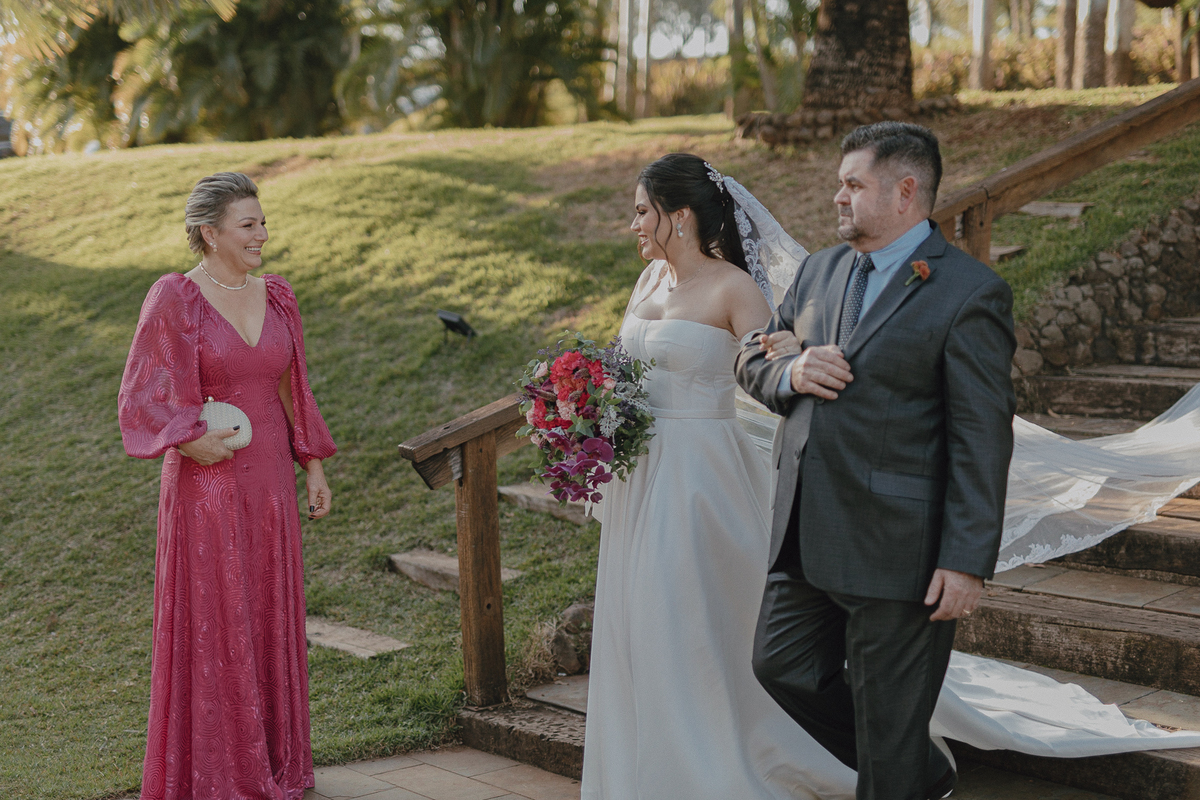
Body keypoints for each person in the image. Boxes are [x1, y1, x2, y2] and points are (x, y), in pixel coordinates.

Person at [736, 122, 1015, 800]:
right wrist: (793, 372)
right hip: (807, 535)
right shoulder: (820, 270)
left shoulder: (969, 293)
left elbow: (982, 436)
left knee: (889, 735)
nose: (838, 196)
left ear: (906, 192)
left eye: (853, 184)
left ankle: (900, 773)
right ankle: (919, 771)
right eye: (841, 183)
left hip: (902, 551)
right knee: (780, 666)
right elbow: (755, 354)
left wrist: (967, 558)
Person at [581, 153, 859, 799]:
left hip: (698, 478)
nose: (634, 224)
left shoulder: (734, 287)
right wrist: (580, 413)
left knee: (681, 614)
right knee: (637, 617)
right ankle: (642, 764)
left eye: (643, 211)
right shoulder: (650, 281)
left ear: (678, 216)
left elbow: (770, 370)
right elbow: (623, 367)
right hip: (640, 475)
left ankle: (704, 763)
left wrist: (797, 361)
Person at [118, 172, 336, 800]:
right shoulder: (175, 298)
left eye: (263, 222)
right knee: (218, 615)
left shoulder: (280, 297)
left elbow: (296, 389)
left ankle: (273, 763)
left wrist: (313, 464)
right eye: (249, 225)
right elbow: (141, 397)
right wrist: (188, 438)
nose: (262, 235)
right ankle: (215, 772)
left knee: (267, 608)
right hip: (205, 485)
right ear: (209, 234)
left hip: (269, 479)